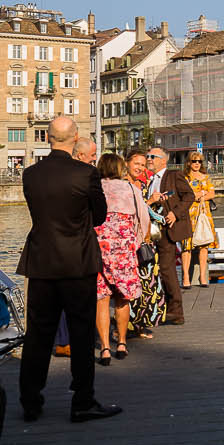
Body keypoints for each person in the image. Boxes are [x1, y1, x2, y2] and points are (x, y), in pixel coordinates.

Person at [17, 115, 120, 423]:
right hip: (78, 261)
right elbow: (99, 216)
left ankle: (30, 401)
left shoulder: (31, 175)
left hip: (42, 262)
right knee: (81, 330)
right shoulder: (86, 174)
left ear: (47, 138)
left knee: (38, 335)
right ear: (76, 138)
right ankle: (82, 401)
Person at [93, 150, 142, 361]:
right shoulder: (130, 189)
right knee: (123, 298)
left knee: (101, 299)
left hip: (99, 250)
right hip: (124, 251)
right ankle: (121, 343)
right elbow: (142, 219)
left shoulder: (94, 189)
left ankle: (104, 347)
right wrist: (134, 242)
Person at [146, 146, 195, 323]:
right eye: (147, 156)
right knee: (158, 269)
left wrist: (175, 213)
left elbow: (189, 196)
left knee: (166, 268)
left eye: (152, 156)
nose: (149, 159)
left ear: (163, 160)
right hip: (154, 231)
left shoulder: (174, 175)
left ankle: (176, 310)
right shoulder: (150, 180)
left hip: (168, 229)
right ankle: (165, 306)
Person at [124, 147, 165, 337]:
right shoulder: (122, 184)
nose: (140, 167)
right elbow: (131, 210)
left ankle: (141, 323)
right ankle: (125, 326)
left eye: (142, 164)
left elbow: (146, 211)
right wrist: (149, 203)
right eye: (136, 163)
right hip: (128, 241)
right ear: (127, 163)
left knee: (148, 283)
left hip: (146, 240)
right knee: (130, 284)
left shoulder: (143, 184)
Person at [182, 153, 217, 287]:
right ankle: (186, 277)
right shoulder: (184, 178)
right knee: (186, 246)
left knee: (204, 245)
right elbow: (183, 194)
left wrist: (202, 195)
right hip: (188, 214)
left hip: (203, 214)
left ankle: (203, 277)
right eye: (194, 161)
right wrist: (197, 194)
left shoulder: (206, 178)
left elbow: (212, 193)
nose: (197, 163)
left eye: (199, 161)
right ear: (189, 162)